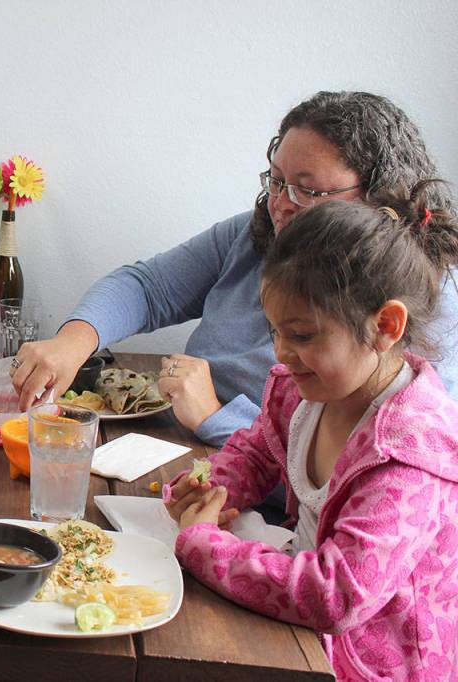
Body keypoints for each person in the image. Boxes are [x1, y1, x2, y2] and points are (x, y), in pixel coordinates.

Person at [9, 91, 458, 448]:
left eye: (309, 191)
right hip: (186, 445)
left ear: (380, 198)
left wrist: (215, 416)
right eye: (276, 180)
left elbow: (358, 473)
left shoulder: (426, 303)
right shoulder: (253, 233)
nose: (281, 205)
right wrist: (74, 341)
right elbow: (147, 288)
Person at [164, 189, 458, 681]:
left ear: (385, 325)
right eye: (275, 331)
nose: (281, 353)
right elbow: (256, 454)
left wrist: (201, 543)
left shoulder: (408, 456)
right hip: (297, 623)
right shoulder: (299, 391)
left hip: (361, 662)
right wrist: (208, 487)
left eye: (301, 336)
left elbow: (338, 595)